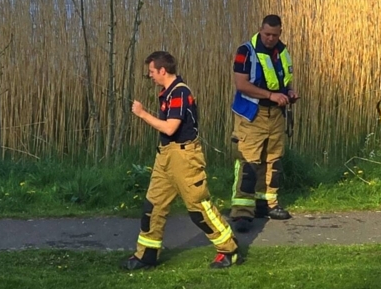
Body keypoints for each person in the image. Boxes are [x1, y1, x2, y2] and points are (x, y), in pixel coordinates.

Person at [122, 51, 245, 270]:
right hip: (166, 156)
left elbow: (171, 127)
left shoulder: (179, 92)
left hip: (184, 158)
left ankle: (230, 249)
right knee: (153, 206)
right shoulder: (167, 93)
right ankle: (147, 255)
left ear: (162, 70)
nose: (149, 75)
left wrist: (142, 114)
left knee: (199, 208)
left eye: (151, 71)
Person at [229, 14, 298, 232]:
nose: (270, 38)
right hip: (252, 114)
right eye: (267, 34)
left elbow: (281, 79)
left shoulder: (281, 51)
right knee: (249, 163)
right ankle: (242, 212)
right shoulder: (245, 51)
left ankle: (267, 204)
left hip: (276, 114)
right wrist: (271, 95)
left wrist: (289, 92)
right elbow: (241, 84)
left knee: (273, 161)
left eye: (275, 35)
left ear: (280, 33)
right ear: (261, 30)